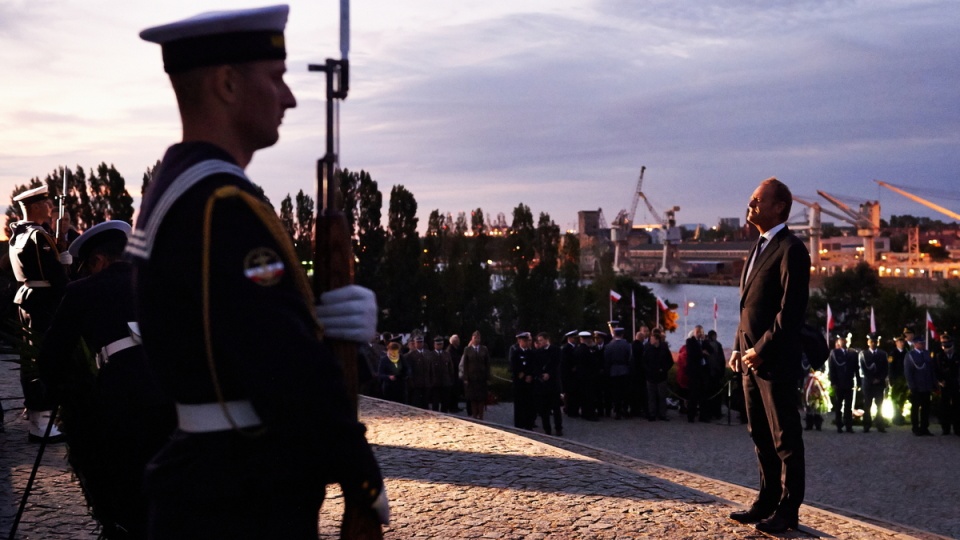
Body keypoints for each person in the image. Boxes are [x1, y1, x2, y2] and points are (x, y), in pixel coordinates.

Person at [130, 6, 387, 538]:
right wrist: (360, 473)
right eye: (277, 78)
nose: (289, 97)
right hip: (240, 496)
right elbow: (284, 367)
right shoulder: (222, 203)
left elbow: (230, 327)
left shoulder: (181, 186)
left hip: (209, 481)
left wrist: (313, 317)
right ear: (226, 83)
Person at [38, 220, 176, 538]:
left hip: (122, 395)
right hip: (174, 392)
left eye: (87, 267)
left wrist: (63, 392)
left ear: (98, 260)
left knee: (125, 479)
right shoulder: (161, 282)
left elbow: (51, 357)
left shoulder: (81, 291)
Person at [728, 177, 810, 534]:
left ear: (779, 207)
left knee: (785, 439)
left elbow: (790, 311)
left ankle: (788, 511)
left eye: (757, 201)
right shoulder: (757, 246)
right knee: (759, 433)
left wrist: (761, 350)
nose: (750, 205)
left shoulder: (792, 248)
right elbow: (748, 306)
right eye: (750, 200)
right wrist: (737, 347)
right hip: (748, 360)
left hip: (773, 362)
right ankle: (765, 499)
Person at [8, 185, 71, 442]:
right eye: (47, 204)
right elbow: (54, 275)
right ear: (35, 207)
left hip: (28, 299)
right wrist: (65, 268)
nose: (51, 208)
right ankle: (44, 424)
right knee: (42, 358)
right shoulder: (37, 235)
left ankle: (39, 420)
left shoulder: (18, 233)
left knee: (30, 359)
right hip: (44, 301)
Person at [827, 335, 859, 433]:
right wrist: (833, 382)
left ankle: (848, 425)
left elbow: (856, 369)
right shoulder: (834, 353)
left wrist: (859, 382)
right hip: (839, 383)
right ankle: (839, 425)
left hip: (849, 382)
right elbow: (832, 368)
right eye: (842, 340)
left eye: (846, 340)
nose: (844, 342)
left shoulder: (853, 353)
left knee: (848, 406)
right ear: (839, 341)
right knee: (838, 405)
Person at [534, 332, 564, 435]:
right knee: (544, 409)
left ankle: (558, 428)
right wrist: (541, 375)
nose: (540, 342)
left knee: (556, 408)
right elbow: (536, 366)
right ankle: (547, 429)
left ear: (547, 339)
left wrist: (549, 374)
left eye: (541, 340)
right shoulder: (538, 352)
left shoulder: (556, 350)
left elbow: (557, 364)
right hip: (543, 384)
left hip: (553, 383)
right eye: (539, 341)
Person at [904, 337, 935, 436]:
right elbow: (908, 372)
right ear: (915, 344)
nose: (922, 345)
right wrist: (912, 386)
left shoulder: (926, 353)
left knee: (926, 408)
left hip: (926, 385)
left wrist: (933, 384)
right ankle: (915, 428)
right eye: (920, 343)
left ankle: (924, 427)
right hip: (917, 386)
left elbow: (931, 369)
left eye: (923, 343)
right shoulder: (910, 355)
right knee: (915, 408)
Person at [858, 334, 888, 433]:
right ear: (868, 342)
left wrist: (879, 379)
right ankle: (866, 425)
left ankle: (880, 425)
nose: (873, 343)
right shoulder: (863, 354)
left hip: (879, 384)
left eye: (875, 342)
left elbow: (885, 369)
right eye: (871, 342)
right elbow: (863, 369)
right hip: (868, 384)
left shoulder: (883, 354)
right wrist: (871, 379)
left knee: (879, 405)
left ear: (878, 343)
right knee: (867, 405)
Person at [642, 328, 673, 421]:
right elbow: (643, 362)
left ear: (657, 339)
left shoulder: (664, 348)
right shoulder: (647, 348)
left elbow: (670, 361)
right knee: (651, 396)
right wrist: (649, 370)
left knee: (662, 396)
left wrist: (664, 369)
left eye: (652, 339)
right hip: (650, 377)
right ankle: (652, 414)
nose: (650, 340)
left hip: (661, 376)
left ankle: (662, 414)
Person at [460, 331, 491, 420]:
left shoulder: (484, 349)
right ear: (472, 339)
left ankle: (481, 416)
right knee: (473, 398)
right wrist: (465, 377)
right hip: (471, 377)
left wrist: (488, 377)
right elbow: (465, 364)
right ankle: (474, 416)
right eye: (475, 337)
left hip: (481, 377)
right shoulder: (467, 349)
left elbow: (487, 364)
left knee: (481, 398)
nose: (476, 339)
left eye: (478, 338)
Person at [509, 332, 537, 429]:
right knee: (519, 403)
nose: (525, 343)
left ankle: (529, 423)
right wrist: (520, 373)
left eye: (526, 340)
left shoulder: (531, 353)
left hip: (529, 382)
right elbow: (513, 366)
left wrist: (530, 375)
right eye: (523, 341)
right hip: (519, 382)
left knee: (529, 403)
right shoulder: (515, 352)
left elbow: (534, 366)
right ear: (519, 341)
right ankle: (519, 423)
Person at [603, 327, 632, 420]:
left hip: (613, 371)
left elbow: (606, 360)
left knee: (616, 393)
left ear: (614, 334)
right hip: (624, 370)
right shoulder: (627, 345)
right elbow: (630, 358)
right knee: (625, 392)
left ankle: (617, 411)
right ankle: (625, 409)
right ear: (622, 334)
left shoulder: (609, 346)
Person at [934, 332, 960, 436]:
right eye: (945, 347)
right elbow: (936, 370)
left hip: (956, 384)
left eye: (948, 346)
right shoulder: (939, 356)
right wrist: (940, 380)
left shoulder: (957, 356)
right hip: (944, 384)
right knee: (945, 407)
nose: (947, 349)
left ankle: (957, 428)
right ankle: (946, 428)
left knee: (957, 407)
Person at [684, 325, 711, 423]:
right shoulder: (690, 341)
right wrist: (702, 352)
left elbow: (711, 351)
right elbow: (692, 353)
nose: (700, 334)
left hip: (703, 371)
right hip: (694, 372)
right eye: (698, 332)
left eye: (701, 332)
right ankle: (691, 416)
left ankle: (703, 416)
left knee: (704, 394)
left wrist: (705, 341)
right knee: (693, 395)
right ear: (694, 332)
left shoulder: (704, 342)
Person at [405, 334, 431, 409]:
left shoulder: (427, 353)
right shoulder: (411, 355)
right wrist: (411, 382)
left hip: (426, 382)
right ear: (415, 343)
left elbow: (430, 368)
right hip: (416, 383)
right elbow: (410, 370)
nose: (419, 344)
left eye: (421, 342)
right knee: (417, 402)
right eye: (418, 342)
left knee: (426, 402)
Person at [428, 336, 453, 412]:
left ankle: (445, 415)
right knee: (435, 403)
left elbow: (450, 368)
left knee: (445, 402)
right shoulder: (431, 355)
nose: (439, 346)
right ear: (434, 345)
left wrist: (450, 380)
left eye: (441, 344)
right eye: (437, 344)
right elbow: (429, 369)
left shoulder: (446, 354)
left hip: (445, 382)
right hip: (435, 383)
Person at [888, 334, 909, 425]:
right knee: (894, 399)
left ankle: (900, 415)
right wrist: (891, 379)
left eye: (902, 341)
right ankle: (896, 416)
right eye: (899, 341)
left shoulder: (907, 352)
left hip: (905, 379)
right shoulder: (893, 353)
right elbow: (890, 367)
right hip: (896, 379)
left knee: (902, 398)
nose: (901, 343)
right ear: (896, 343)